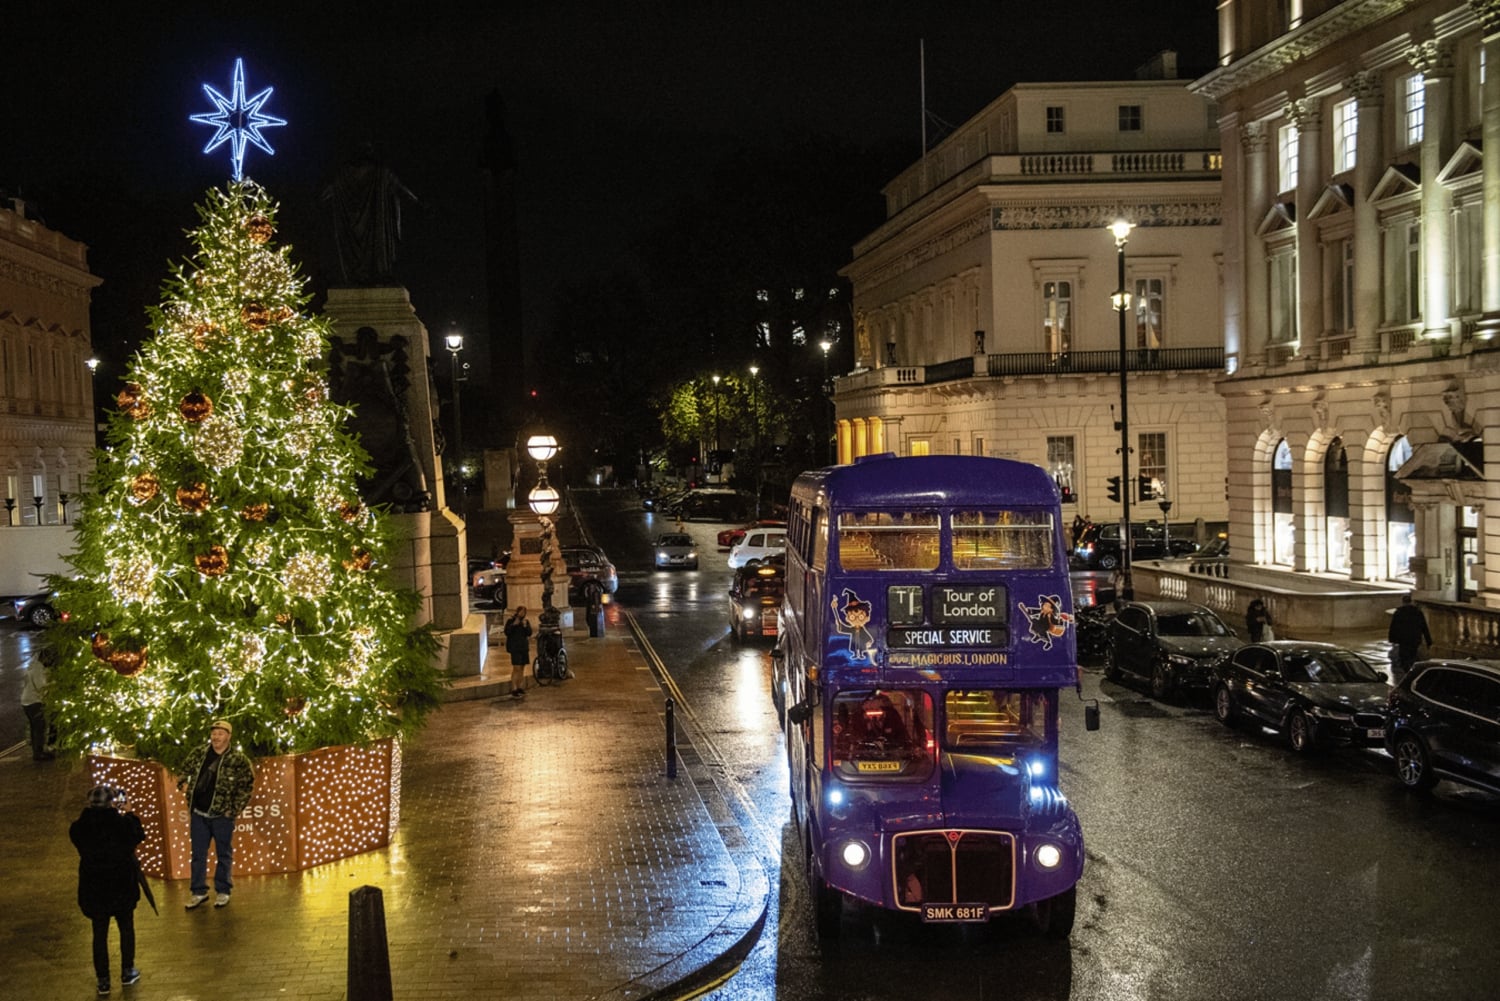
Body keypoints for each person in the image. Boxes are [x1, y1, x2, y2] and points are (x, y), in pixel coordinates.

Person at [70, 785, 145, 996]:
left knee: (99, 934)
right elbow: (138, 835)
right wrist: (129, 812)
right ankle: (127, 970)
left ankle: (103, 980)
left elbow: (78, 838)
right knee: (126, 928)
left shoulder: (79, 828)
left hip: (94, 888)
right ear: (112, 802)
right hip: (121, 886)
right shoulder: (122, 825)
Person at [176, 719, 255, 910]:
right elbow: (183, 772)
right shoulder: (199, 753)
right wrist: (183, 785)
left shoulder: (238, 759)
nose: (216, 737)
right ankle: (198, 891)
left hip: (222, 816)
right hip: (199, 814)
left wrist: (233, 809)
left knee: (224, 853)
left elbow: (247, 786)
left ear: (228, 736)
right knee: (198, 855)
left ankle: (223, 890)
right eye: (214, 733)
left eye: (220, 733)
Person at [21, 643, 56, 761]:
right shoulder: (38, 669)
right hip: (34, 702)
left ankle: (36, 750)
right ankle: (39, 753)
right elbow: (42, 687)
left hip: (26, 701)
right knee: (39, 727)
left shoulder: (33, 665)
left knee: (34, 727)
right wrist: (53, 685)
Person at [1388, 593, 1433, 684]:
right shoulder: (1417, 612)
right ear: (1411, 601)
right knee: (1412, 656)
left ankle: (1408, 673)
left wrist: (1392, 639)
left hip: (1403, 640)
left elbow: (1394, 627)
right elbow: (1424, 627)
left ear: (1403, 602)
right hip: (1414, 639)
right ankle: (1411, 672)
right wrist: (1428, 640)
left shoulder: (1399, 613)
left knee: (1404, 657)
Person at [504, 605, 532, 699]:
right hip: (515, 648)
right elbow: (507, 632)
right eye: (521, 612)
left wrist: (525, 626)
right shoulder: (511, 621)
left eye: (524, 612)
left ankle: (519, 686)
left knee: (522, 668)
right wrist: (513, 625)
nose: (522, 614)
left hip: (523, 647)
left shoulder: (526, 622)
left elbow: (529, 633)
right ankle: (514, 688)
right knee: (516, 667)